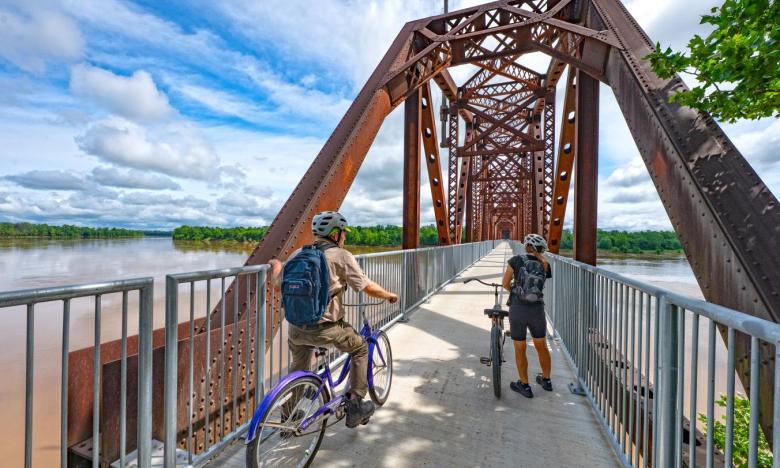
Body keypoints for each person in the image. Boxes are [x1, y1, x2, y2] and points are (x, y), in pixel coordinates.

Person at [269, 211, 399, 427]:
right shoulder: (341, 255)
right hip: (326, 329)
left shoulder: (297, 254)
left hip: (296, 328)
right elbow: (366, 286)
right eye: (343, 233)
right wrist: (389, 295)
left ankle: (287, 418)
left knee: (299, 368)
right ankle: (356, 405)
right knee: (360, 348)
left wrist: (276, 265)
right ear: (336, 233)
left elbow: (277, 282)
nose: (345, 237)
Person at [501, 233, 553, 398]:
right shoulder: (545, 264)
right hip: (537, 309)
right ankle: (546, 380)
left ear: (526, 246)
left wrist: (516, 292)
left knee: (520, 348)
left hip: (518, 308)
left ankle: (524, 385)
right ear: (541, 249)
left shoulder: (516, 260)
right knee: (541, 346)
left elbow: (505, 283)